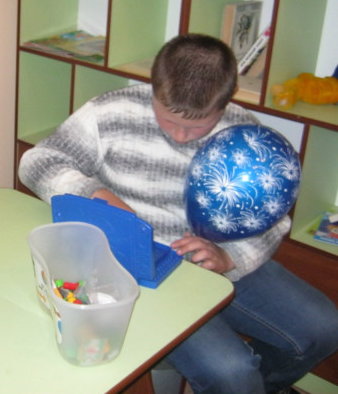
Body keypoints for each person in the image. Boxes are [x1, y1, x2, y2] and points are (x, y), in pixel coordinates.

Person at [19, 33, 338, 394]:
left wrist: (230, 257)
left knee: (323, 329)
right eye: (169, 120)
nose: (182, 136)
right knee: (232, 372)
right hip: (137, 268)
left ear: (226, 102)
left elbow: (272, 218)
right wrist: (95, 193)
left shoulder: (245, 134)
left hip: (218, 261)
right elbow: (37, 162)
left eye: (198, 126)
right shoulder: (111, 112)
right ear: (154, 90)